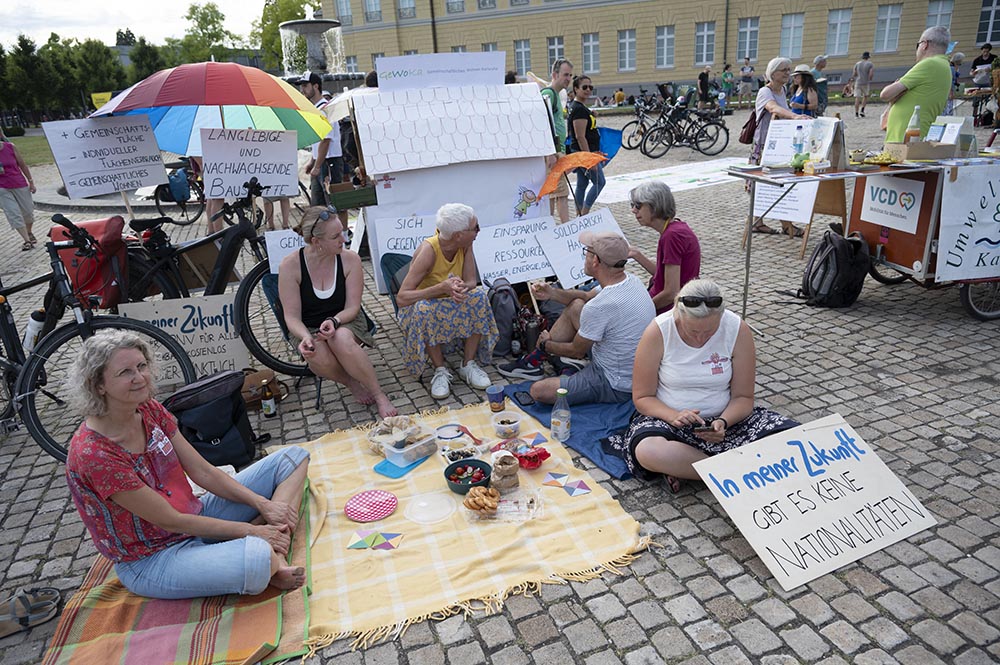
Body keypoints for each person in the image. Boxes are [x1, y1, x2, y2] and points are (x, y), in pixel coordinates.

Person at [65, 330, 310, 600]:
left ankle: (273, 550)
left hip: (197, 515)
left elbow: (203, 471)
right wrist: (254, 531)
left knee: (293, 458)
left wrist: (263, 505)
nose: (140, 378)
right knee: (258, 558)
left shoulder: (147, 408)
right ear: (98, 385)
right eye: (125, 372)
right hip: (154, 557)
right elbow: (171, 521)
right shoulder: (94, 454)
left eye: (142, 366)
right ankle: (268, 553)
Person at [602, 280, 798, 493]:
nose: (701, 338)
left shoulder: (736, 328)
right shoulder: (659, 331)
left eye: (710, 332)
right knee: (649, 450)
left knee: (794, 438)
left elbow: (743, 397)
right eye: (694, 331)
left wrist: (723, 421)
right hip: (668, 421)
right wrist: (673, 416)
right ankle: (738, 473)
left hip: (727, 422)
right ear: (678, 313)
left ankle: (694, 469)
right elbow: (642, 397)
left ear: (721, 317)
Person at [498, 231, 656, 406]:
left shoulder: (601, 306)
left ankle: (543, 358)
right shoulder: (631, 280)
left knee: (538, 391)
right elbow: (586, 296)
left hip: (616, 383)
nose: (584, 257)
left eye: (586, 252)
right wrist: (552, 293)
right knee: (576, 306)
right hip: (634, 368)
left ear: (595, 261)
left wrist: (545, 344)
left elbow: (577, 350)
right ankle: (537, 362)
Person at [278, 206, 397, 417]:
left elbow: (353, 307)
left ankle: (379, 394)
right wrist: (305, 336)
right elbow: (291, 316)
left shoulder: (350, 259)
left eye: (342, 231)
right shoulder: (290, 266)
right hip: (309, 325)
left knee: (339, 339)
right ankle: (350, 382)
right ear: (317, 242)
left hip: (346, 318)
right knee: (316, 352)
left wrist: (335, 320)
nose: (343, 239)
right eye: (336, 236)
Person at [396, 203, 497, 400]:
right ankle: (440, 370)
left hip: (449, 301)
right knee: (425, 309)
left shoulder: (465, 244)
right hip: (423, 305)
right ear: (458, 235)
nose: (479, 230)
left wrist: (460, 287)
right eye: (475, 227)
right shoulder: (429, 250)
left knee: (479, 298)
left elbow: (470, 282)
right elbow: (402, 298)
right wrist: (441, 288)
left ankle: (467, 364)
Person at [749, 57, 807, 235]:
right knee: (762, 184)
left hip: (778, 144)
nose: (788, 73)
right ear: (773, 73)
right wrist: (794, 116)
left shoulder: (782, 90)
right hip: (764, 145)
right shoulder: (765, 92)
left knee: (778, 182)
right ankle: (771, 224)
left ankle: (778, 224)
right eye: (784, 70)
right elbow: (773, 108)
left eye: (789, 70)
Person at [626, 181, 700, 315]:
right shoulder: (676, 227)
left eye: (638, 206)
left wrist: (643, 311)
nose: (633, 210)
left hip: (669, 311)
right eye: (633, 205)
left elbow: (671, 292)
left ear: (655, 206)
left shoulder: (672, 236)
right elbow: (664, 276)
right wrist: (636, 254)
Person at [881, 26, 952, 143]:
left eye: (918, 45)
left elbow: (885, 94)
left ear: (925, 44)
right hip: (915, 133)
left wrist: (897, 85)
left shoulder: (929, 63)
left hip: (907, 136)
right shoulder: (944, 65)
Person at [299, 72, 346, 226]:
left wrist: (317, 165)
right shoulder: (315, 109)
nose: (302, 90)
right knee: (318, 205)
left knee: (334, 203)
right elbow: (319, 141)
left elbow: (326, 140)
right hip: (322, 161)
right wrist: (313, 161)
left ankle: (342, 236)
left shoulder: (325, 109)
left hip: (329, 161)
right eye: (302, 86)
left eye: (305, 86)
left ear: (316, 86)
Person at [541, 58, 573, 223]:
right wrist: (551, 152)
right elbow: (543, 123)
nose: (568, 79)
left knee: (553, 193)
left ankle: (549, 225)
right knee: (561, 193)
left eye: (570, 75)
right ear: (555, 74)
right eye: (565, 75)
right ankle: (566, 228)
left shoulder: (554, 94)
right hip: (553, 151)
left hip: (556, 150)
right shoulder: (549, 94)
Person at [568, 75, 605, 215]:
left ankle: (579, 213)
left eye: (590, 87)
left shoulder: (580, 107)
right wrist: (590, 159)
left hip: (582, 152)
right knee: (599, 182)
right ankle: (584, 213)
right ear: (576, 89)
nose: (588, 90)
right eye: (584, 87)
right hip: (585, 153)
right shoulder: (579, 110)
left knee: (582, 184)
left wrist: (591, 113)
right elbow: (580, 136)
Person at [0, 127, 37, 251]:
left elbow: (22, 165)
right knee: (13, 213)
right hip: (2, 188)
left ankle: (29, 231)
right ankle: (26, 241)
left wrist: (31, 182)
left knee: (28, 212)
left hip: (19, 183)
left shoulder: (10, 147)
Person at [971, 43, 996, 121]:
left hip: (989, 81)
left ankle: (987, 117)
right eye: (984, 52)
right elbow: (971, 72)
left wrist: (991, 69)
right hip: (978, 81)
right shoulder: (977, 60)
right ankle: (974, 117)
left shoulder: (994, 58)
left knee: (989, 100)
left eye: (987, 52)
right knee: (976, 100)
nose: (985, 53)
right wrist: (973, 73)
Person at [850, 52, 875, 118]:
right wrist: (870, 78)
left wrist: (854, 78)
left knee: (857, 97)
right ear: (868, 57)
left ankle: (856, 113)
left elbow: (854, 74)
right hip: (865, 82)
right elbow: (871, 74)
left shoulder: (857, 64)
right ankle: (862, 110)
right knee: (865, 96)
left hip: (858, 82)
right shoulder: (870, 64)